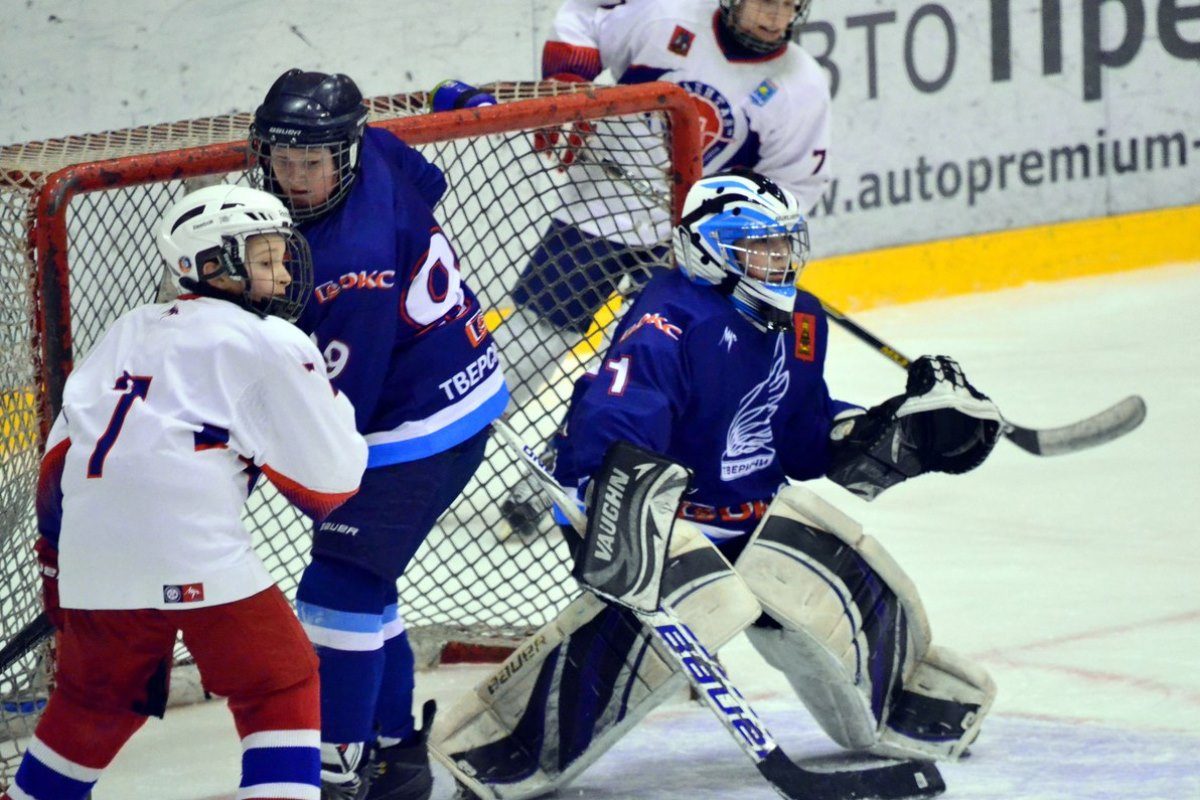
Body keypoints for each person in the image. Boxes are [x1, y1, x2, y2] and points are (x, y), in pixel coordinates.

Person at [432, 172, 1001, 799]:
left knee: (850, 573)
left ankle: (899, 705)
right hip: (663, 523)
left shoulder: (801, 319)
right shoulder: (670, 319)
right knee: (697, 610)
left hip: (757, 519)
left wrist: (898, 431)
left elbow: (802, 439)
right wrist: (620, 514)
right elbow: (617, 428)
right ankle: (502, 743)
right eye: (760, 247)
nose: (779, 262)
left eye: (785, 246)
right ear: (708, 249)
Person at [0, 185, 367, 800]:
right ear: (213, 264)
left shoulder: (126, 328)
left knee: (98, 700)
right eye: (264, 259)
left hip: (90, 556)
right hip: (192, 551)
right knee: (281, 684)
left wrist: (61, 569)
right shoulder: (270, 341)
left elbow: (59, 456)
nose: (280, 278)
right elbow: (332, 484)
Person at [249, 69, 509, 800]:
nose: (295, 178)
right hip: (448, 382)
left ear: (344, 155)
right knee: (367, 586)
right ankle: (396, 755)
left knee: (338, 586)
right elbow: (427, 184)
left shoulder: (341, 265)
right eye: (285, 159)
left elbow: (337, 417)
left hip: (415, 423)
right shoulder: (383, 150)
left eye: (312, 163)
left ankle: (340, 765)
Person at [496, 0, 832, 533]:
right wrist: (566, 84)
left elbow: (795, 185)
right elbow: (584, 18)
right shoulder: (664, 17)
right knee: (531, 337)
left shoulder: (802, 85)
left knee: (635, 367)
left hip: (691, 252)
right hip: (598, 207)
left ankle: (563, 473)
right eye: (766, 2)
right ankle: (450, 444)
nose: (777, 18)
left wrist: (732, 238)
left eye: (790, 5)